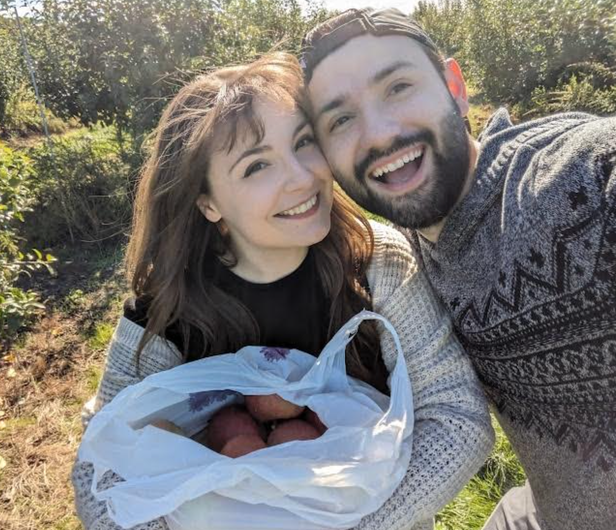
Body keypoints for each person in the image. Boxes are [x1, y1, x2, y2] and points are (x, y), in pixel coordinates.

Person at [70, 52, 493, 530]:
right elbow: (99, 467)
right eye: (256, 167)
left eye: (304, 142)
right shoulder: (168, 308)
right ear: (207, 202)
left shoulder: (378, 264)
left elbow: (457, 418)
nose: (300, 177)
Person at [301, 7, 616, 530]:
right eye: (341, 120)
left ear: (455, 86)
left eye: (398, 87)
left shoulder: (576, 184)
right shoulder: (399, 259)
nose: (378, 134)